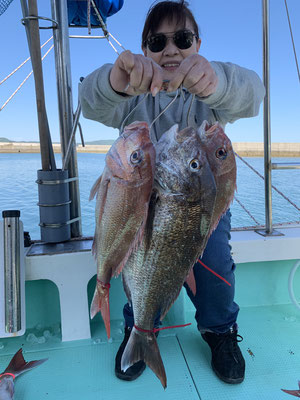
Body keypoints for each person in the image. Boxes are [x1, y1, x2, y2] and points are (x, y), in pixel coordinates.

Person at [80, 0, 265, 385]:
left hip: (202, 207)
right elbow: (89, 102)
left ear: (198, 43)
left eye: (181, 39)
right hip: (141, 208)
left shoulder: (210, 88)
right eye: (157, 41)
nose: (170, 50)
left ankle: (220, 331)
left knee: (215, 265)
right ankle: (140, 331)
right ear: (144, 48)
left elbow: (253, 95)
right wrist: (115, 82)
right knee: (142, 264)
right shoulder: (131, 95)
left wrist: (218, 82)